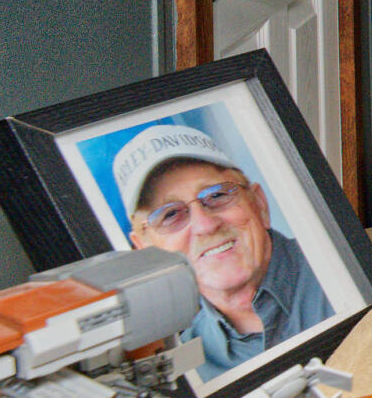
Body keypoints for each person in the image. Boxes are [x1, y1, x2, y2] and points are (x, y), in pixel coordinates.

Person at [110, 121, 334, 374]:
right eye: (170, 215)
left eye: (216, 195)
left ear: (259, 204)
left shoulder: (343, 274)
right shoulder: (188, 371)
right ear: (146, 251)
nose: (205, 225)